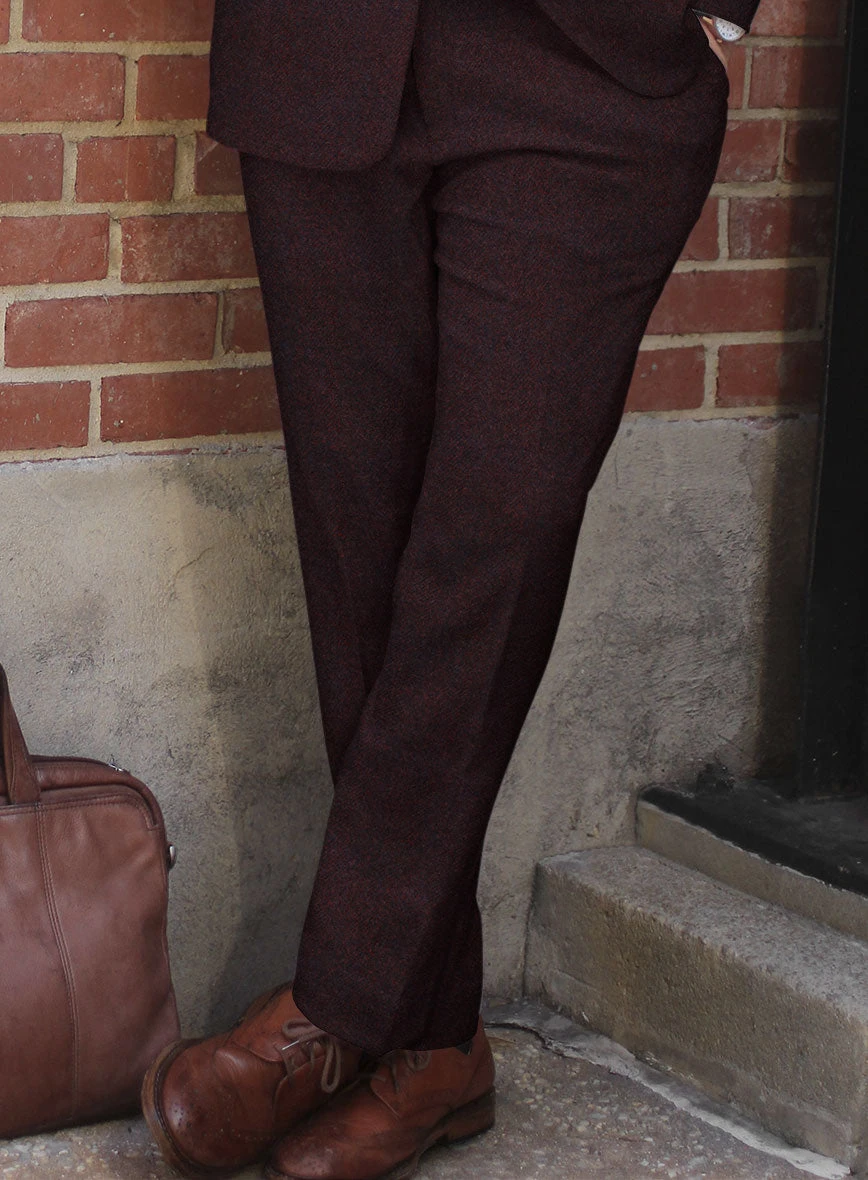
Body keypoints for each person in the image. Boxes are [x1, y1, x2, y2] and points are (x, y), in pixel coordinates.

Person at [141, 1, 757, 1177]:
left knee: (500, 526)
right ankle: (433, 1046)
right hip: (323, 48)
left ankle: (334, 1008)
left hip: (588, 71)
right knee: (359, 551)